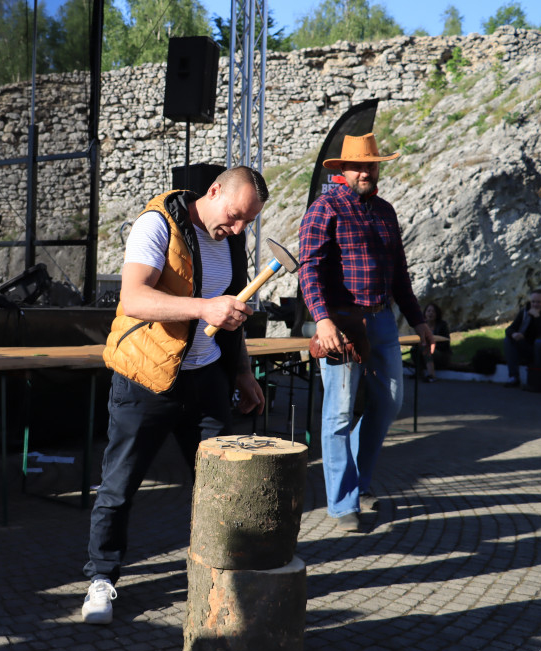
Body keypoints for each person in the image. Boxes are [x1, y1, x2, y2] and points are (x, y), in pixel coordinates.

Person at [81, 166, 268, 625]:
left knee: (221, 487)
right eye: (234, 215)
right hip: (146, 377)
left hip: (206, 380)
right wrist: (205, 307)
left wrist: (242, 372)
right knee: (119, 486)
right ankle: (101, 577)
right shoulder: (156, 224)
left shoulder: (232, 239)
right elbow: (135, 299)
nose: (238, 228)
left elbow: (230, 314)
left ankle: (221, 573)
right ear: (214, 190)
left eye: (248, 222)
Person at [299, 132, 434, 533]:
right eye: (359, 165)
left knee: (390, 402)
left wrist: (419, 319)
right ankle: (342, 504)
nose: (366, 171)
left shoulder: (386, 211)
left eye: (371, 164)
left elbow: (399, 275)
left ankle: (355, 482)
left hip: (382, 319)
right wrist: (322, 320)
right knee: (338, 413)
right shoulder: (325, 207)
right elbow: (308, 268)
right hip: (339, 321)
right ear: (342, 169)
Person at [503, 288, 541, 387]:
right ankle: (513, 376)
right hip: (528, 347)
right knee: (508, 340)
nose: (535, 305)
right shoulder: (525, 312)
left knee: (539, 342)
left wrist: (537, 317)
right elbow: (510, 329)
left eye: (539, 302)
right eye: (533, 302)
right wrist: (514, 334)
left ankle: (537, 378)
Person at [412, 302, 451, 382]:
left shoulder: (442, 325)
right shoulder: (422, 327)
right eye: (428, 311)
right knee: (414, 349)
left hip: (441, 354)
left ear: (437, 314)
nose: (431, 313)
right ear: (425, 313)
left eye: (433, 311)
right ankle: (419, 372)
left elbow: (445, 343)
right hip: (425, 352)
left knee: (425, 348)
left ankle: (432, 375)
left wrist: (431, 346)